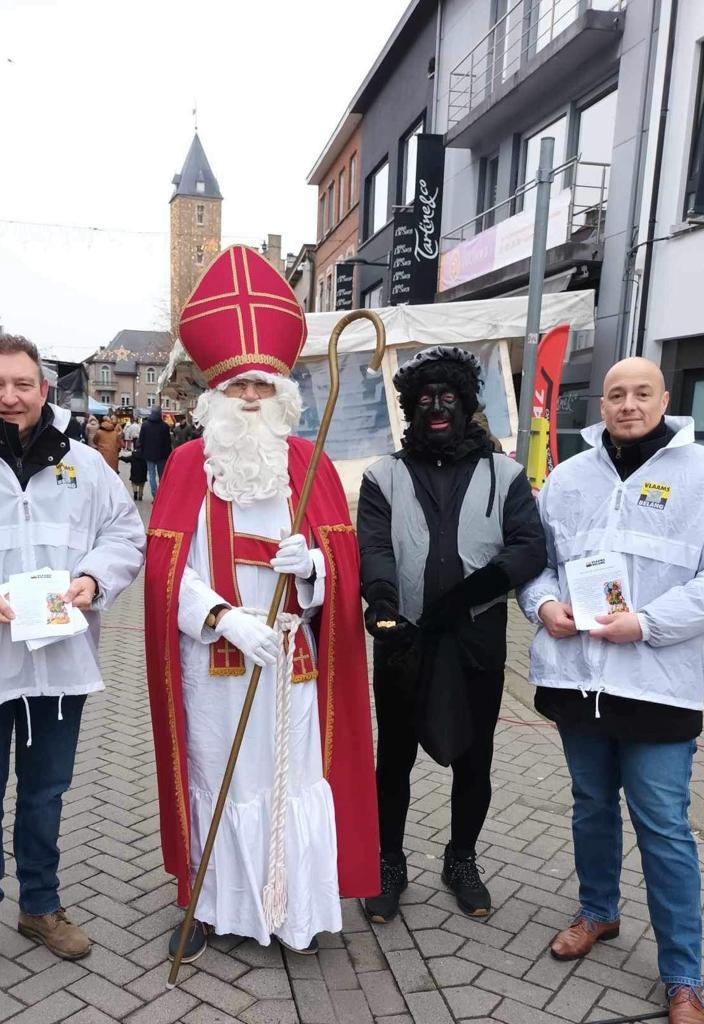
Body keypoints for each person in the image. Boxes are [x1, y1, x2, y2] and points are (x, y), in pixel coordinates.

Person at [144, 245, 378, 963]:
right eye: (239, 387)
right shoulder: (188, 464)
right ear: (213, 396)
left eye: (263, 386)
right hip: (215, 659)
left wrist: (313, 569)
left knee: (290, 776)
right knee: (220, 773)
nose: (251, 398)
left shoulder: (308, 465)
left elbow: (342, 561)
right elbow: (165, 569)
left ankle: (290, 909)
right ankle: (214, 904)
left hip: (291, 660)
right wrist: (221, 617)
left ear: (284, 394)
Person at [0, 334, 145, 996]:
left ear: (43, 390)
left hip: (59, 664)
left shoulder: (84, 462)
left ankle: (39, 908)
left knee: (46, 795)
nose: (10, 396)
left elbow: (124, 533)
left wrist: (93, 579)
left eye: (22, 384)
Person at [518, 357, 704, 1024]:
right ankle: (598, 912)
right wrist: (542, 609)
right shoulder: (567, 479)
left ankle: (685, 974)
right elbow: (533, 565)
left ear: (665, 399)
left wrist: (648, 624)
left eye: (642, 393)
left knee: (663, 827)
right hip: (581, 680)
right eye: (618, 394)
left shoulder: (700, 474)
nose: (629, 405)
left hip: (660, 684)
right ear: (601, 402)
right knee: (591, 805)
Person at [357, 346, 546, 923]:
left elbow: (528, 546)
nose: (436, 409)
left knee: (476, 758)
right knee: (393, 760)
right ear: (411, 410)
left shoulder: (506, 474)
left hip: (475, 640)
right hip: (404, 638)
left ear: (465, 404)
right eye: (424, 401)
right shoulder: (382, 474)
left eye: (447, 399)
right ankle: (389, 863)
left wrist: (470, 593)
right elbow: (374, 545)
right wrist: (383, 601)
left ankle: (461, 859)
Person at [139, 407, 172, 498]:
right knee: (161, 475)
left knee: (151, 475)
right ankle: (162, 494)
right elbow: (168, 442)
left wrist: (141, 451)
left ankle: (155, 494)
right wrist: (169, 454)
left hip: (149, 454)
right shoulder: (164, 426)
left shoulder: (145, 425)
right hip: (162, 455)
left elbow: (141, 440)